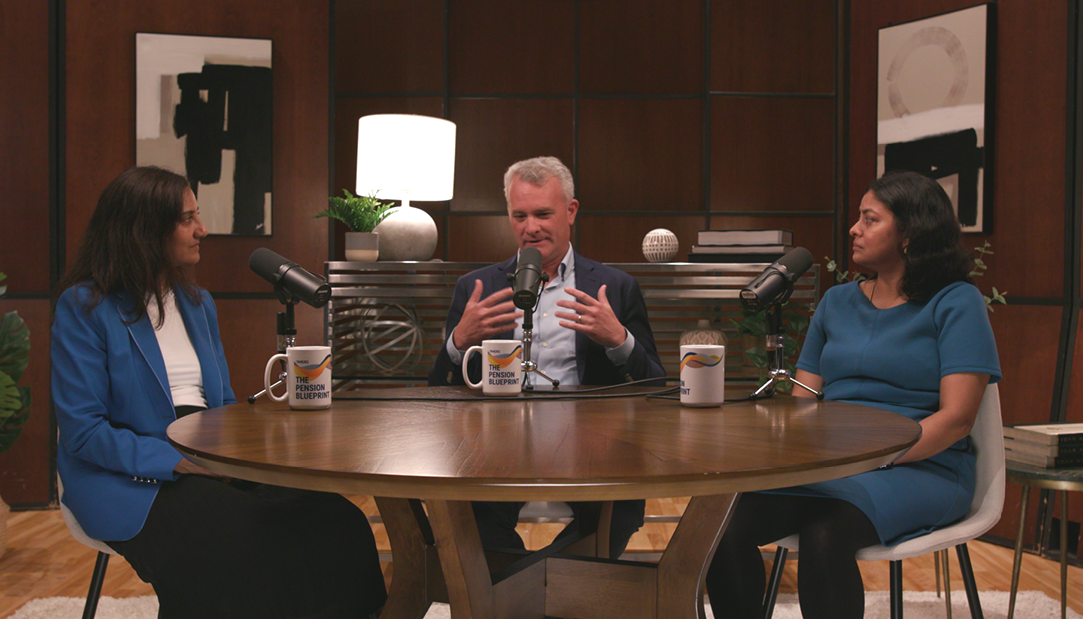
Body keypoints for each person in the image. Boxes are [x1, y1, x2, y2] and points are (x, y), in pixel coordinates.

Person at [52, 166, 387, 619]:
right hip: (129, 473)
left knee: (337, 520)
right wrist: (176, 461)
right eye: (187, 219)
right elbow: (84, 433)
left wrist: (245, 450)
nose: (202, 230)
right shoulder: (85, 307)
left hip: (210, 455)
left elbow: (224, 405)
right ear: (144, 230)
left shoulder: (196, 304)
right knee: (238, 535)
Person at [704, 171, 1002, 619]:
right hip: (835, 464)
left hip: (925, 466)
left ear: (908, 234)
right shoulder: (838, 302)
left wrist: (876, 457)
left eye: (870, 219)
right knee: (719, 528)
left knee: (826, 534)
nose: (853, 229)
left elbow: (957, 418)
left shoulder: (957, 302)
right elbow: (805, 400)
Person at [428, 156, 666, 558]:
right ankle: (548, 590)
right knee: (467, 519)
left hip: (590, 445)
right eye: (519, 215)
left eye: (542, 213)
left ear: (570, 212)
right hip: (495, 448)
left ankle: (523, 591)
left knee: (621, 512)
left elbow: (657, 383)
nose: (530, 227)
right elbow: (436, 389)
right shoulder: (478, 287)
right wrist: (458, 341)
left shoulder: (616, 287)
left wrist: (618, 339)